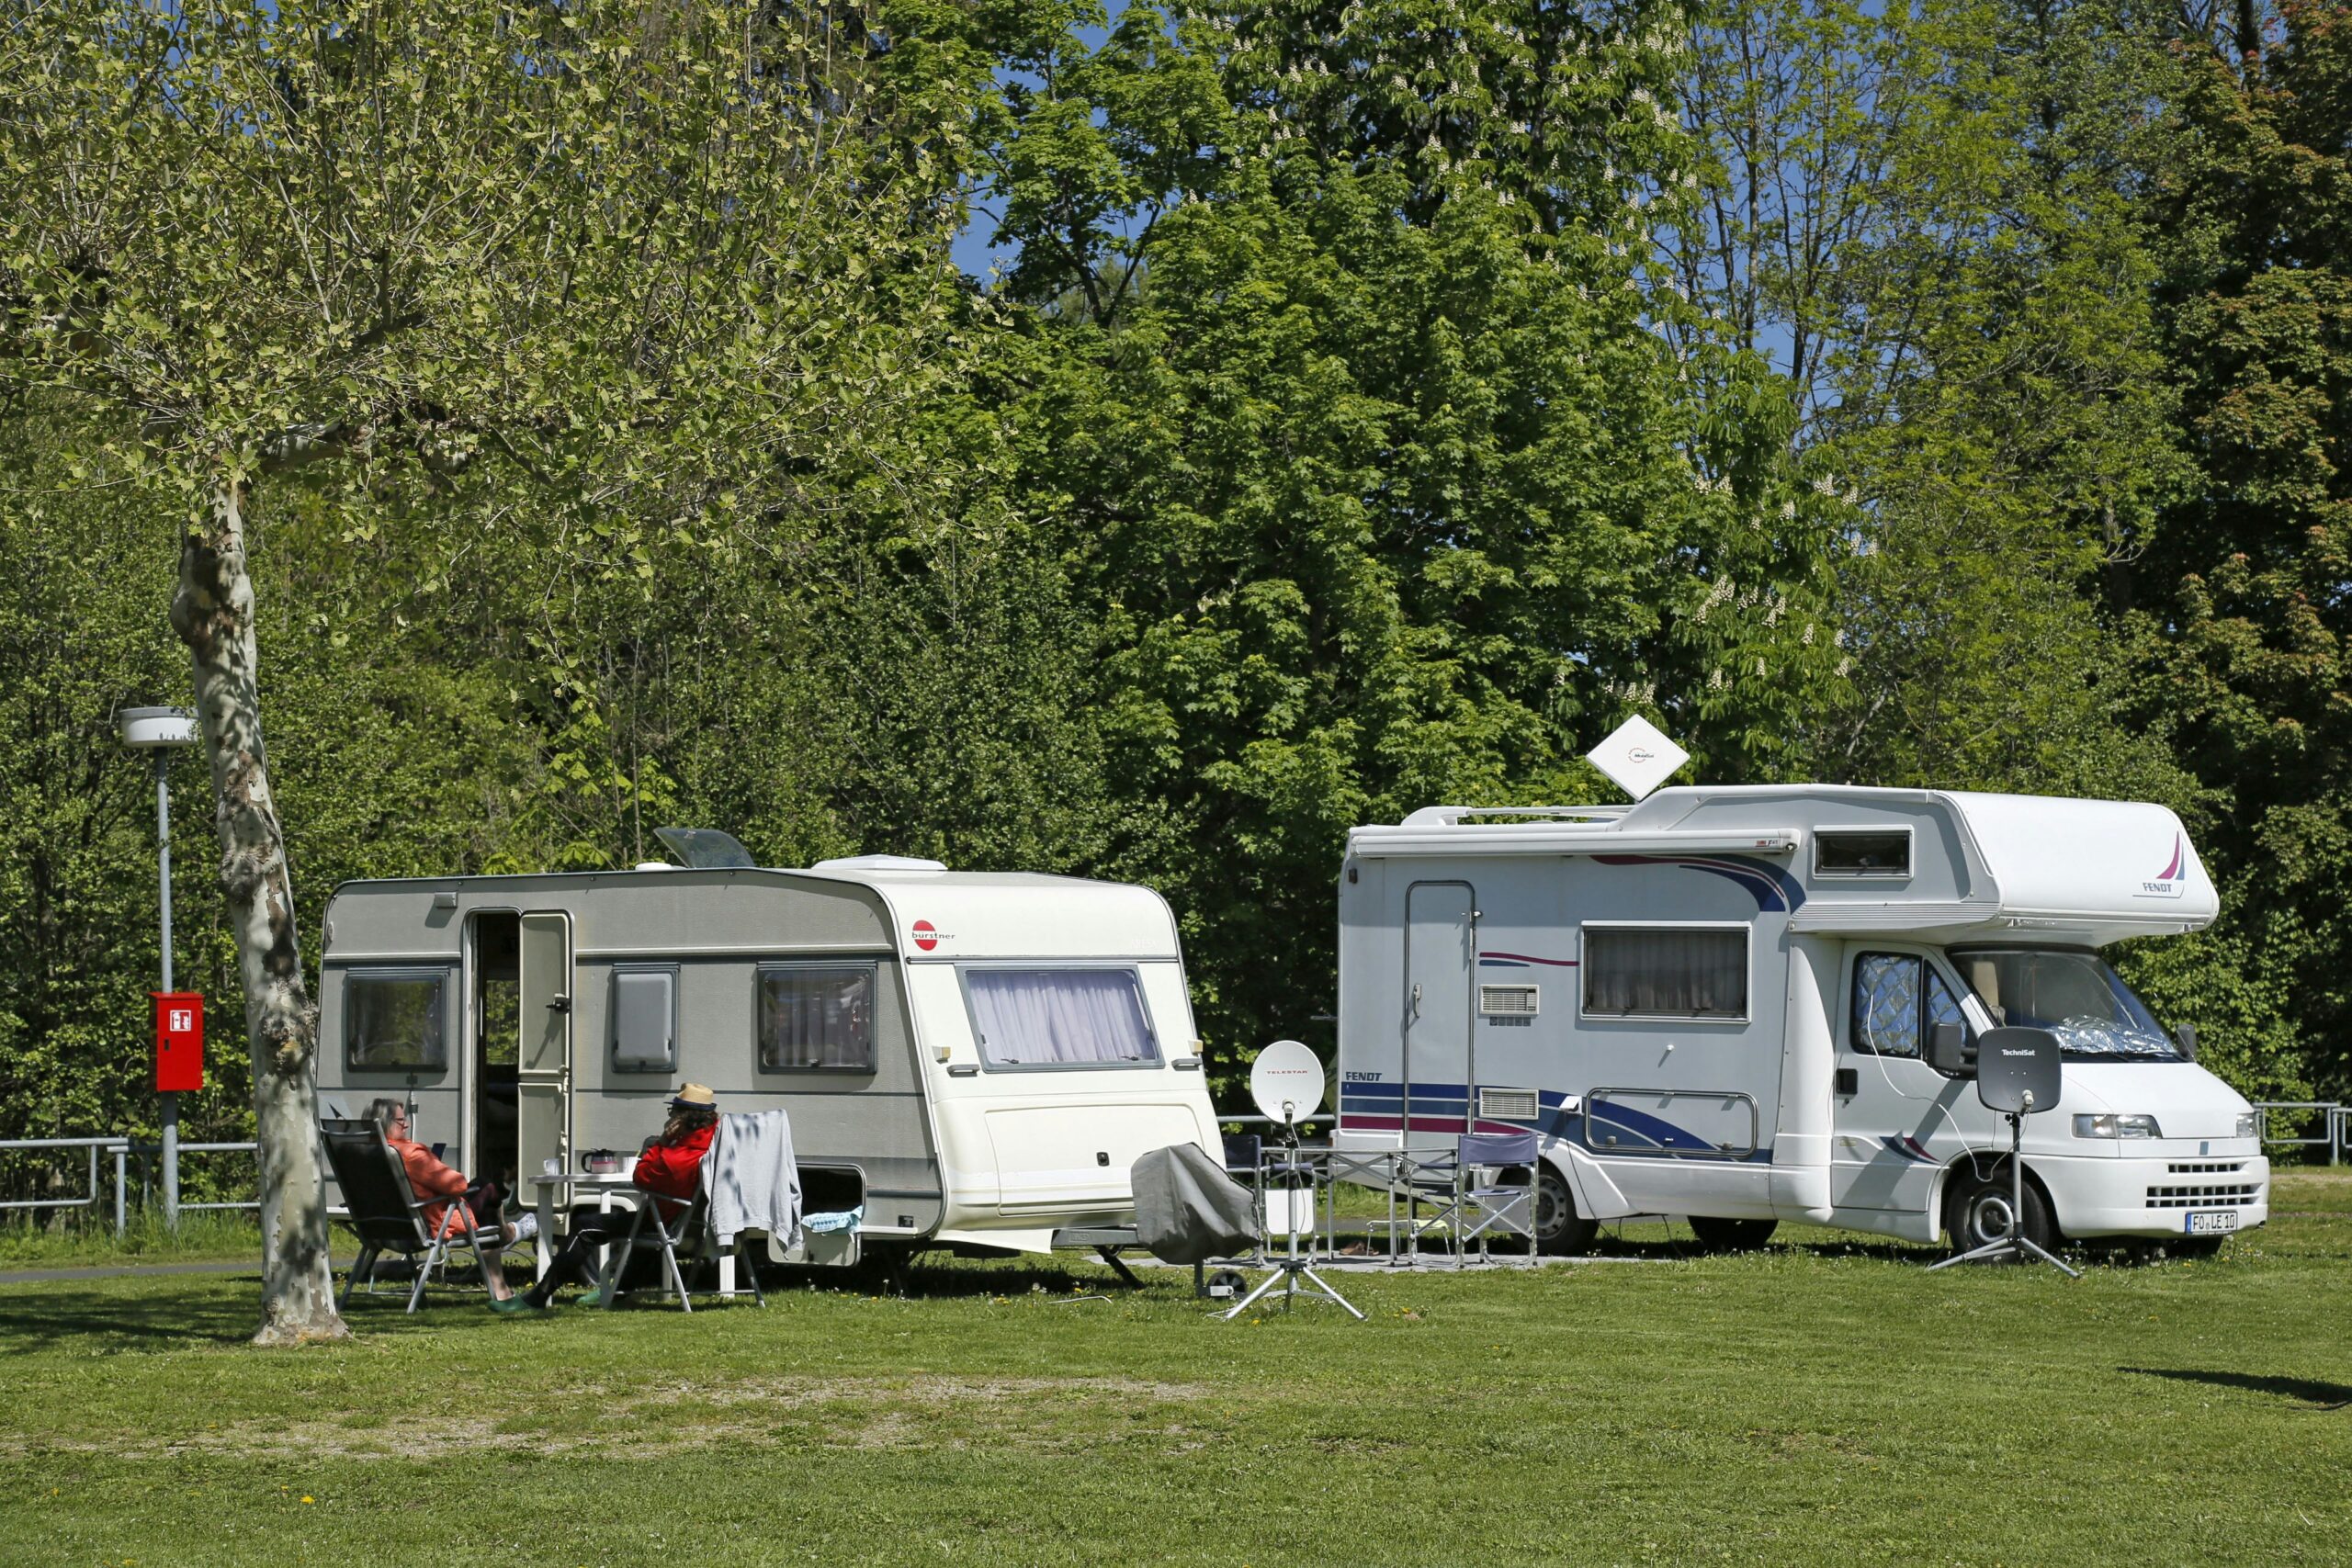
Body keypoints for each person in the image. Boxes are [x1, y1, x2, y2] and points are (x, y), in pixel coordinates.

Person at [511, 1083, 719, 1312]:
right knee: (643, 1230)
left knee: (584, 1226)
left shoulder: (676, 1157)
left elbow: (640, 1177)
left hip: (665, 1222)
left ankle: (539, 1295)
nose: (670, 1117)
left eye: (674, 1112)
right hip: (693, 1222)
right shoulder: (713, 1142)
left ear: (685, 1118)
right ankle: (619, 1293)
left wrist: (662, 1142)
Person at [367, 1098, 535, 1307]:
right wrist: (434, 1165)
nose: (407, 1125)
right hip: (430, 1224)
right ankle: (506, 1242)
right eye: (401, 1121)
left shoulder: (366, 1153)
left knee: (481, 1188)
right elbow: (458, 1185)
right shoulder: (410, 1155)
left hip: (383, 1227)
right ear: (385, 1123)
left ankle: (506, 1237)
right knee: (487, 1189)